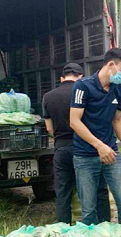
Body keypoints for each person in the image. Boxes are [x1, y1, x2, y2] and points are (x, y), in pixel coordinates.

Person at [70, 48, 121, 231]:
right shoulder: (83, 86)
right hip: (85, 156)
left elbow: (116, 121)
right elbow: (74, 122)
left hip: (111, 154)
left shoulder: (118, 89)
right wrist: (98, 145)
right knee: (89, 210)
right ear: (110, 65)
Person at [42, 63, 110, 224]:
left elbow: (49, 128)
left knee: (63, 193)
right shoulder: (85, 92)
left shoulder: (48, 96)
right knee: (98, 190)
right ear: (81, 77)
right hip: (86, 149)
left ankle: (64, 230)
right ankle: (103, 228)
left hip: (62, 149)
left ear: (61, 78)